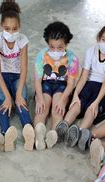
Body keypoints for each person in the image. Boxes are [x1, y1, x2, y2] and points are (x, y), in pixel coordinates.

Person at [56, 24, 105, 151]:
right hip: (89, 84)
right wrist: (75, 95)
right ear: (98, 38)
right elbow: (84, 75)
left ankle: (80, 132)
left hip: (104, 90)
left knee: (91, 109)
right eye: (103, 39)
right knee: (77, 104)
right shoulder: (90, 51)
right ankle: (64, 126)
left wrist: (96, 102)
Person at [0, 0, 32, 152]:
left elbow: (24, 69)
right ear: (1, 27)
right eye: (7, 29)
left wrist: (19, 94)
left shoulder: (22, 40)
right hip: (1, 76)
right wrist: (8, 97)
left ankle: (30, 132)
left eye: (15, 29)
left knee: (22, 102)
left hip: (17, 77)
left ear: (19, 28)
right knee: (3, 102)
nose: (11, 32)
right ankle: (5, 136)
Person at [32, 21, 78, 151]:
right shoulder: (41, 55)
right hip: (45, 84)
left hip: (62, 86)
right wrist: (39, 98)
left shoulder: (72, 59)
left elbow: (71, 83)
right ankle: (39, 135)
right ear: (47, 43)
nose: (55, 51)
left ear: (66, 44)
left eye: (60, 47)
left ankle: (53, 134)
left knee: (57, 110)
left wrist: (63, 100)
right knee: (42, 108)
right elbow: (37, 80)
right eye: (52, 47)